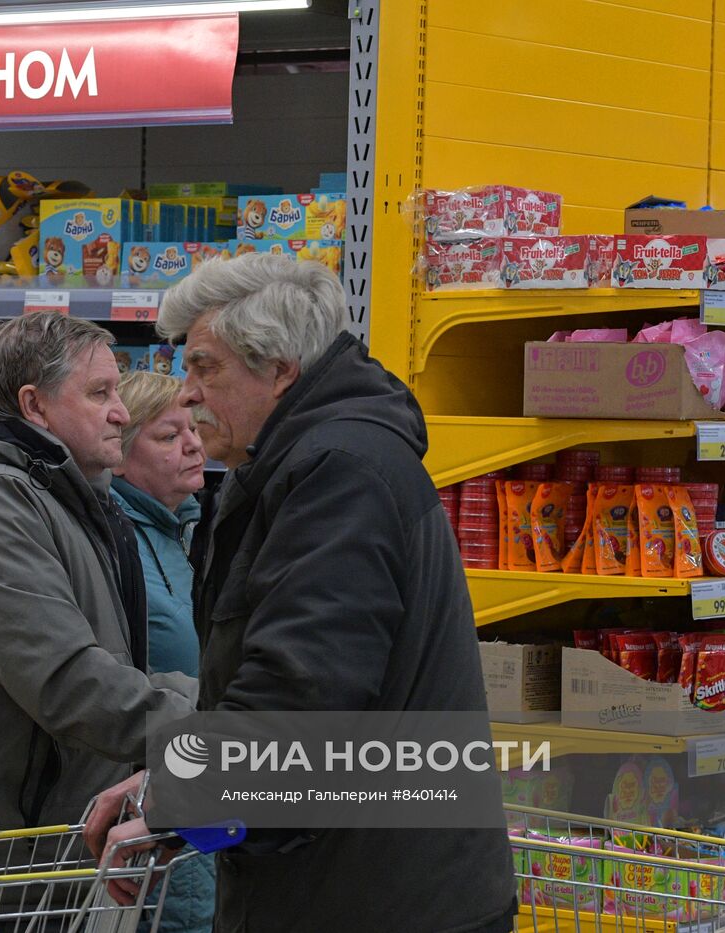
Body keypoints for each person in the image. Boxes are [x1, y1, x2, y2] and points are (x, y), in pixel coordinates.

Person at [85, 254, 517, 933]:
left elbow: (301, 694)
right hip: (356, 881)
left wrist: (173, 792)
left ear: (280, 368)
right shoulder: (317, 463)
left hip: (376, 899)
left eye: (206, 366)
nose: (189, 393)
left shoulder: (336, 476)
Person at [0, 312, 197, 917]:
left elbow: (113, 666)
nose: (122, 412)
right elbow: (67, 680)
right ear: (35, 405)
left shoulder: (68, 498)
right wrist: (217, 733)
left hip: (42, 862)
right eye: (100, 393)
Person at [108, 371, 214, 933]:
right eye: (169, 436)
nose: (194, 443)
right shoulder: (114, 543)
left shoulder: (190, 531)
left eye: (193, 429)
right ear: (121, 458)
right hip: (152, 801)